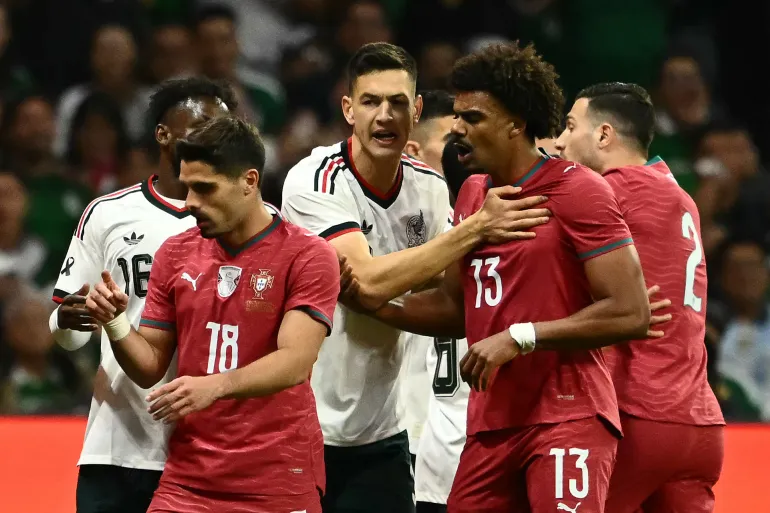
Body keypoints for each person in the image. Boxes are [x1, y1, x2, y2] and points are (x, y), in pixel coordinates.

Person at [343, 42, 653, 513]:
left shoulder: (578, 190)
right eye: (458, 115)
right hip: (491, 425)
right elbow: (455, 309)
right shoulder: (471, 196)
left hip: (565, 415)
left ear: (516, 123)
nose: (457, 128)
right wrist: (372, 302)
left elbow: (632, 312)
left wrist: (520, 336)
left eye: (473, 117)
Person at [281, 42, 551, 513]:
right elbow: (366, 279)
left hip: (383, 432)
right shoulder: (315, 181)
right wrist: (474, 230)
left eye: (398, 103)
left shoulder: (427, 187)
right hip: (302, 428)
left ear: (417, 109)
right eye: (370, 102)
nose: (384, 116)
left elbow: (442, 294)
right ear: (348, 109)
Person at [85, 115, 340, 513]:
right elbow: (150, 364)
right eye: (187, 188)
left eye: (205, 189)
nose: (189, 203)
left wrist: (215, 385)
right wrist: (115, 323)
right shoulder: (174, 253)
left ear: (249, 182)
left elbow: (295, 361)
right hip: (189, 481)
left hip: (277, 480)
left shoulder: (308, 255)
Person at [48, 77, 241, 513]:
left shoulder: (252, 222)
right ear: (163, 133)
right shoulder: (108, 214)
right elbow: (65, 327)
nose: (213, 138)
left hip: (214, 450)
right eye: (202, 124)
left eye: (222, 129)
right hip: (120, 446)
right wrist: (70, 321)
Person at [554, 82, 725, 513]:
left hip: (637, 411)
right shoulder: (680, 196)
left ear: (604, 135)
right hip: (699, 422)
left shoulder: (610, 193)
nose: (559, 141)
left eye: (570, 126)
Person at [401, 88, 457, 466]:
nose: (465, 148)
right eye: (452, 141)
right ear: (414, 152)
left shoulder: (501, 215)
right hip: (409, 431)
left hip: (470, 435)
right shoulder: (397, 223)